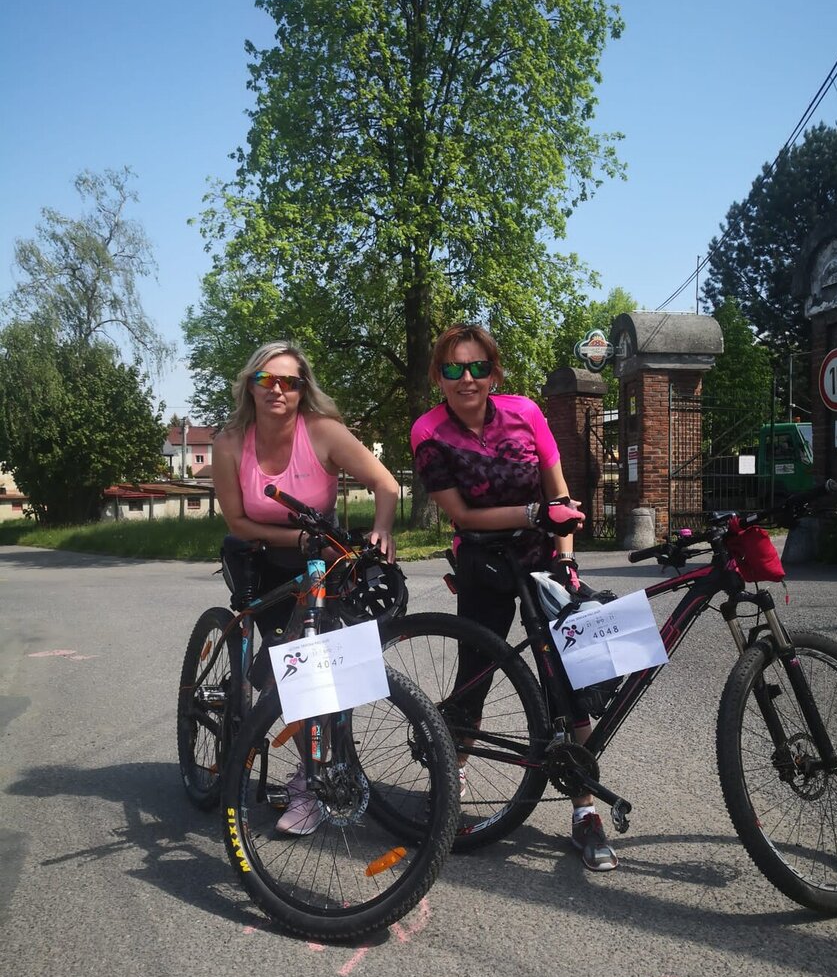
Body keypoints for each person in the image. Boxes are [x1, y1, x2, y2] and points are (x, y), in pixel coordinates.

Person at [410, 322, 618, 872]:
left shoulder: (526, 413)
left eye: (478, 367)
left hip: (544, 558)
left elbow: (560, 495)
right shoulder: (429, 432)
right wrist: (534, 514)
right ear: (439, 376)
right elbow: (462, 514)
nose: (467, 378)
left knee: (568, 684)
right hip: (484, 562)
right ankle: (448, 785)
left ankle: (584, 809)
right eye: (454, 368)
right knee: (473, 680)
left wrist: (566, 560)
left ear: (494, 372)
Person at [213, 340, 400, 835]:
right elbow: (236, 521)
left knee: (330, 670)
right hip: (265, 558)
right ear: (249, 386)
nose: (276, 389)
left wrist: (382, 530)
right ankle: (309, 781)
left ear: (302, 390)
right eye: (266, 379)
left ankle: (324, 763)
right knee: (288, 675)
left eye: (288, 382)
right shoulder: (230, 443)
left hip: (325, 559)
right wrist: (293, 539)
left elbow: (387, 484)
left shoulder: (323, 431)